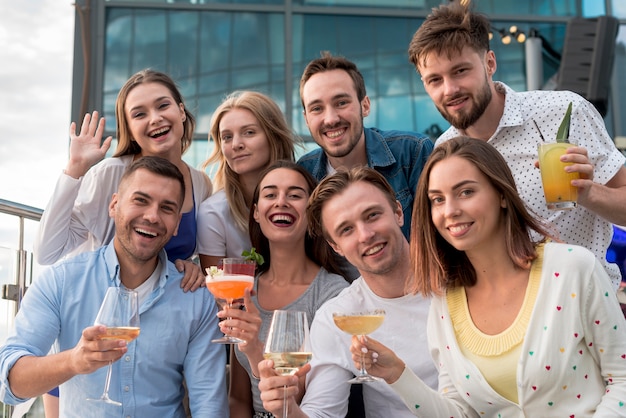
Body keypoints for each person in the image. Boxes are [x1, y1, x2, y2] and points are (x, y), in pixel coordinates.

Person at [349, 136, 626, 417]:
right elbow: (459, 412)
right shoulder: (444, 303)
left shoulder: (572, 268)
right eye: (437, 200)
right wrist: (397, 373)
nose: (450, 211)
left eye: (466, 192)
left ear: (502, 195)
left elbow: (623, 380)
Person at [408, 0, 626, 289]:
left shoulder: (563, 111)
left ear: (489, 63)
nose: (450, 89)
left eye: (460, 71)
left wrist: (588, 193)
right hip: (505, 317)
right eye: (435, 79)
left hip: (584, 304)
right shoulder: (445, 151)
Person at [0, 156, 228, 417]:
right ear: (114, 205)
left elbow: (209, 404)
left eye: (166, 208)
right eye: (140, 200)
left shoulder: (196, 298)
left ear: (177, 224)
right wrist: (73, 361)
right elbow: (9, 383)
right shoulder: (61, 281)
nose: (152, 216)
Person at [257, 167, 438, 418]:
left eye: (372, 215)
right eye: (346, 230)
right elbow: (322, 413)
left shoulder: (462, 278)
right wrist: (285, 409)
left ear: (398, 212)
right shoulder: (338, 316)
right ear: (335, 246)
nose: (366, 235)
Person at [34, 69, 212, 292]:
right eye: (139, 114)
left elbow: (185, 257)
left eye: (163, 106)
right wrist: (75, 169)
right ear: (129, 128)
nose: (155, 119)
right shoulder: (110, 174)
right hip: (104, 306)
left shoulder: (201, 184)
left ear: (182, 112)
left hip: (167, 312)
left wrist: (190, 266)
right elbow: (47, 252)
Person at [221, 160, 348, 417]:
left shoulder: (332, 294)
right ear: (256, 212)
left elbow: (295, 396)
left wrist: (255, 348)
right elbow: (238, 399)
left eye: (295, 195)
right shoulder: (244, 289)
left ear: (312, 211)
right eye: (270, 194)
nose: (281, 202)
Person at [296, 52, 434, 240]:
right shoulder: (304, 174)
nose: (331, 119)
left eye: (341, 103)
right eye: (317, 108)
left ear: (365, 106)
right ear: (306, 119)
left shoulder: (413, 152)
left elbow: (435, 244)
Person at [198, 91, 301, 272]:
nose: (236, 144)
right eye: (227, 137)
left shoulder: (305, 195)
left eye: (249, 132)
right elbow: (217, 292)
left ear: (273, 136)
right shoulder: (213, 212)